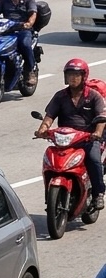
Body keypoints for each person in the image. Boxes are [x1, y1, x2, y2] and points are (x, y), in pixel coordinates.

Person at [35, 58, 106, 210]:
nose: (72, 78)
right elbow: (49, 115)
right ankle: (50, 193)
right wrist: (43, 129)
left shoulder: (94, 96)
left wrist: (97, 132)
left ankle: (98, 194)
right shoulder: (60, 96)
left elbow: (102, 117)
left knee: (93, 159)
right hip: (66, 139)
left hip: (87, 138)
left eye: (76, 74)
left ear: (84, 76)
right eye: (69, 74)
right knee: (50, 157)